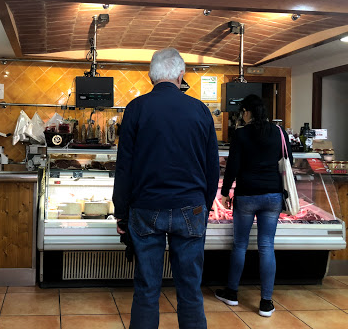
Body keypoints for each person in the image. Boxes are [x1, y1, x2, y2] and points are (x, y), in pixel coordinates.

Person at [113, 48, 220, 329]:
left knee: (147, 289)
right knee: (190, 289)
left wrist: (121, 212)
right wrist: (205, 205)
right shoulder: (200, 110)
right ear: (181, 75)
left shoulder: (136, 108)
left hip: (146, 208)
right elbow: (212, 167)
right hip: (191, 206)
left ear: (151, 76)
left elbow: (124, 167)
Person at [214, 94, 292, 317]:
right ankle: (266, 302)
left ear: (247, 111)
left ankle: (232, 293)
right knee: (266, 246)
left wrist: (225, 191)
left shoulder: (241, 134)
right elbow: (290, 160)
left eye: (243, 112)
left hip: (247, 194)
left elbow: (233, 165)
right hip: (273, 195)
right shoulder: (279, 132)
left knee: (240, 244)